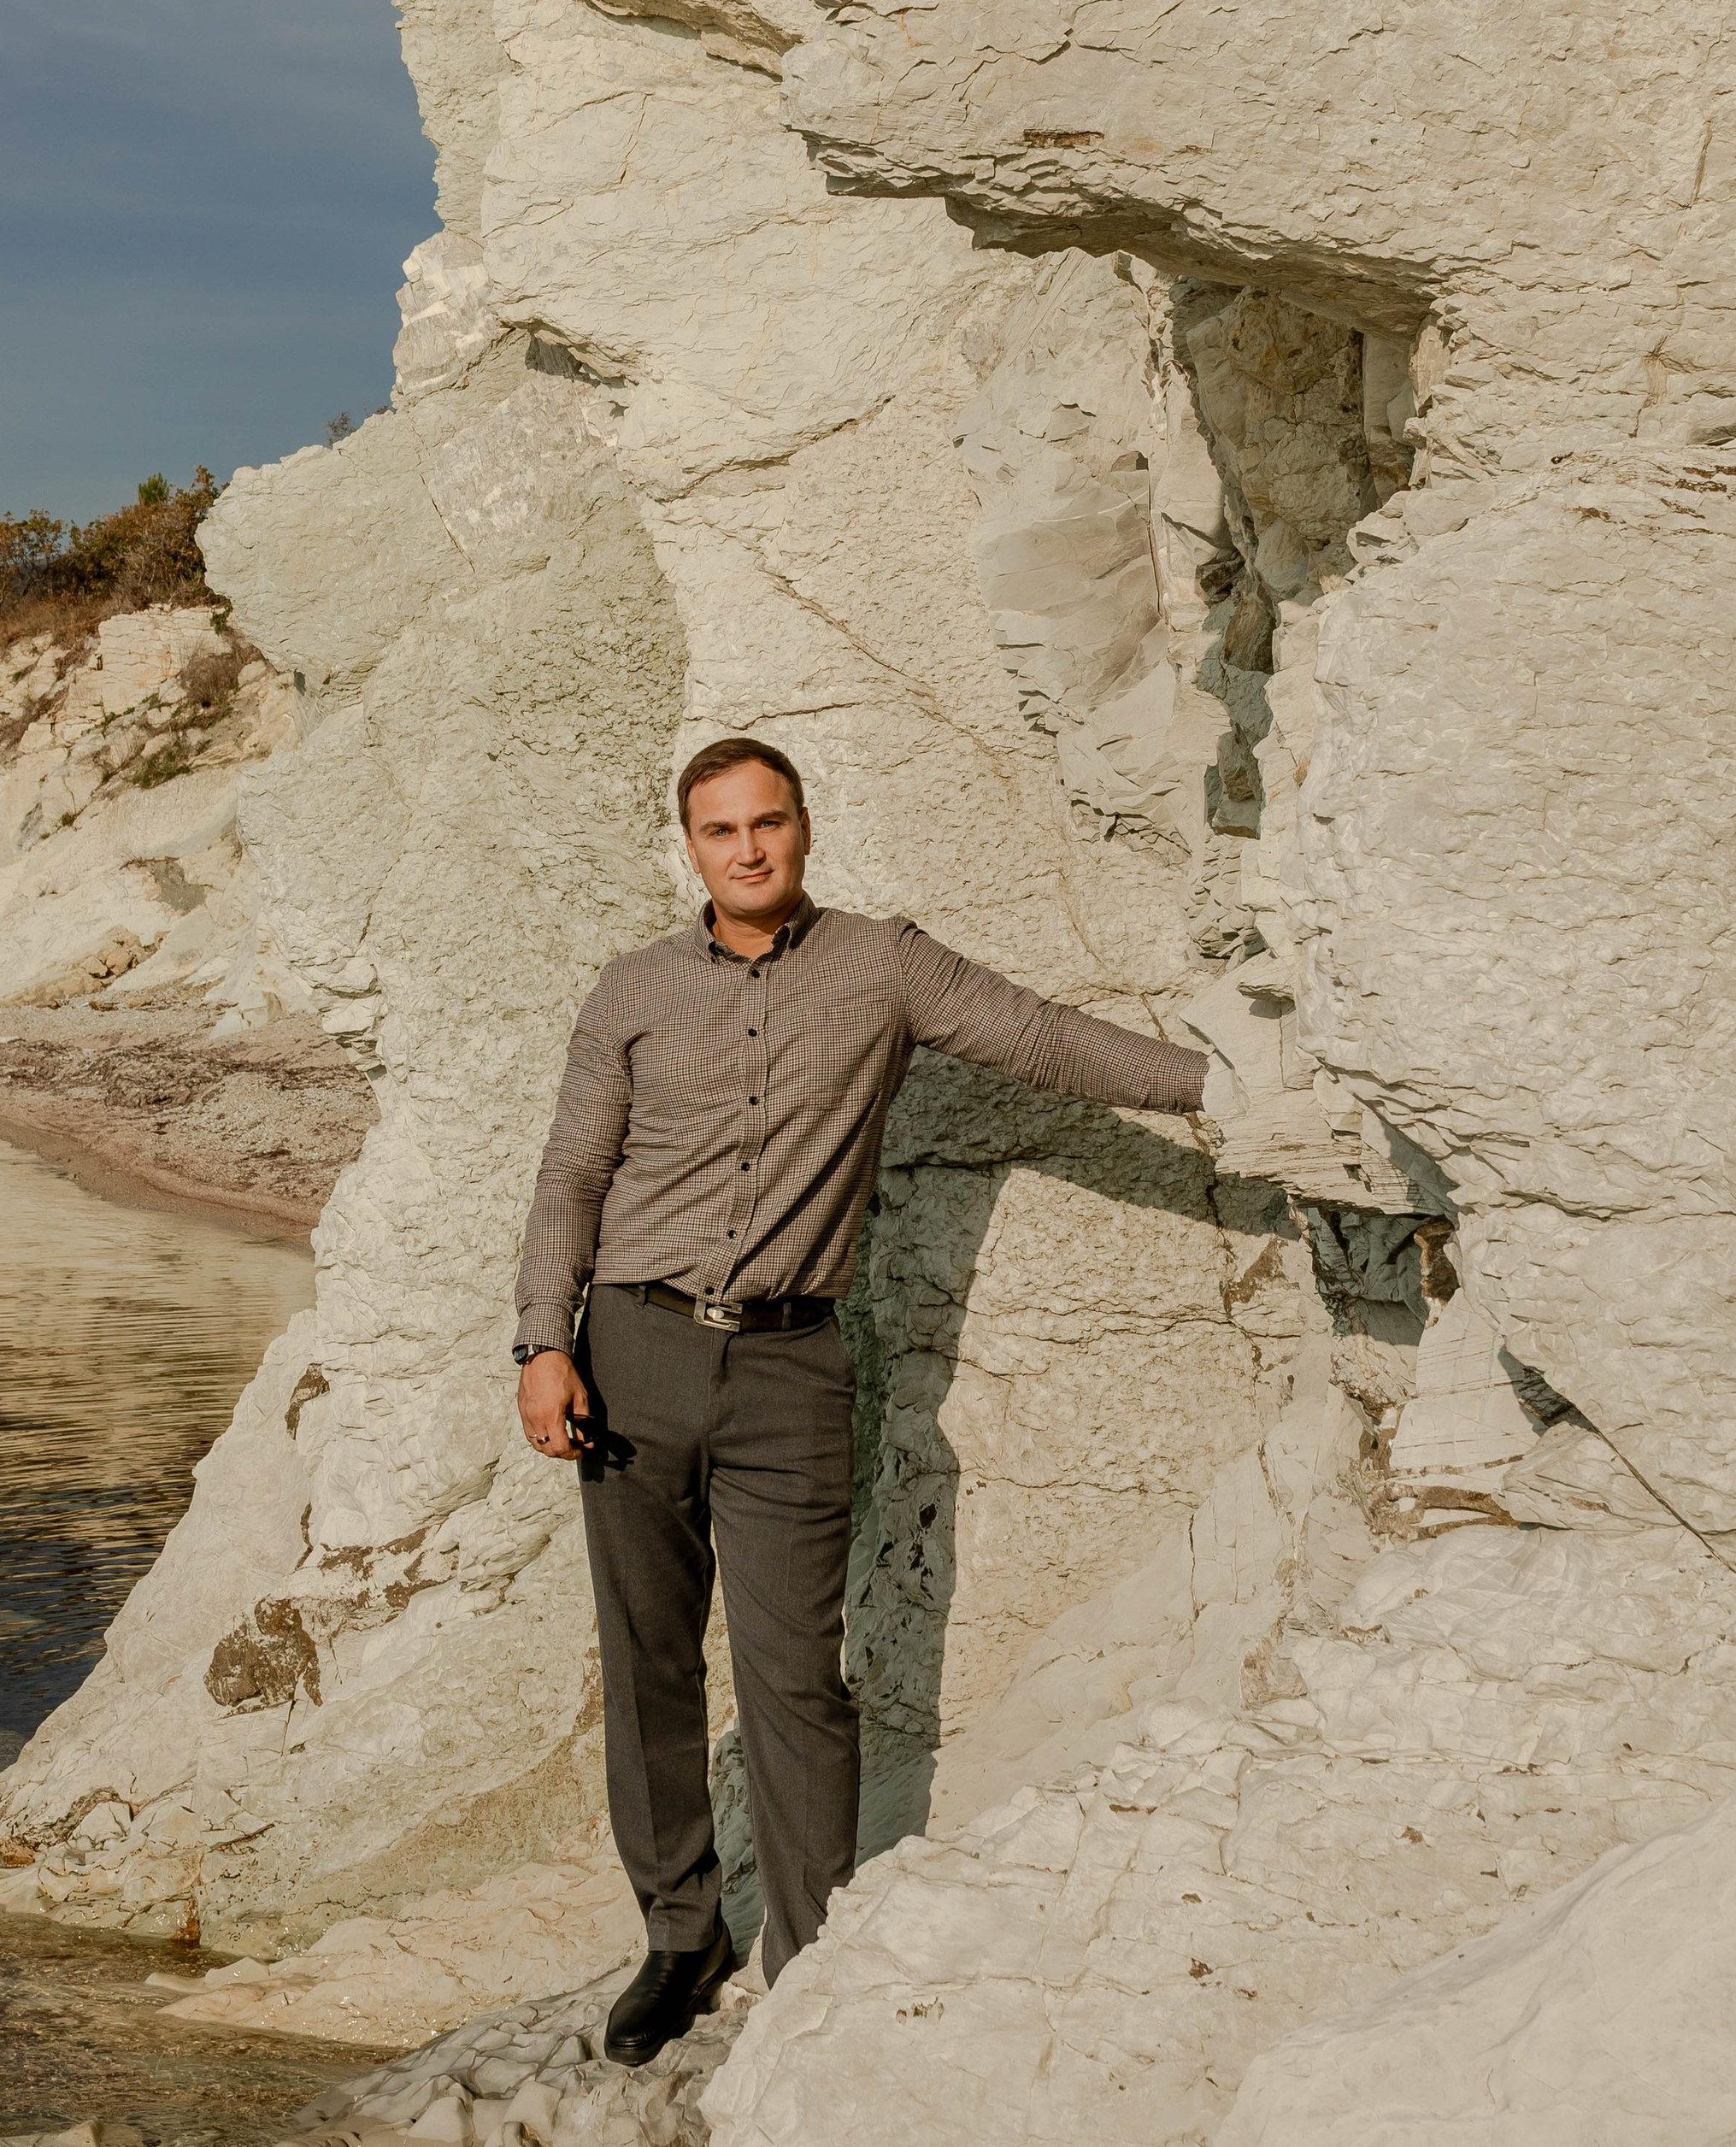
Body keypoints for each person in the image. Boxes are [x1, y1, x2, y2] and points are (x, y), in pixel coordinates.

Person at [512, 736, 1212, 2065]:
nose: (749, 849)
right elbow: (568, 1179)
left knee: (797, 1677)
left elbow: (1048, 1044)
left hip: (791, 1366)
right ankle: (679, 1935)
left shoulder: (884, 965)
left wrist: (1226, 1085)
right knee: (650, 1661)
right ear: (690, 846)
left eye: (768, 822)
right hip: (633, 1351)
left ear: (805, 828)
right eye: (721, 831)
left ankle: (813, 1956)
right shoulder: (634, 990)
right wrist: (543, 1344)